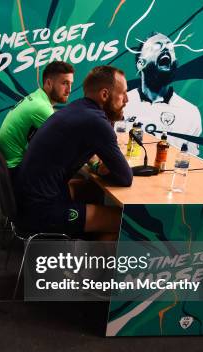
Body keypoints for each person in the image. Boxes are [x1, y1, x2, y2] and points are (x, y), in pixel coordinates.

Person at [15, 66, 132, 241]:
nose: (127, 100)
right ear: (105, 95)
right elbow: (125, 177)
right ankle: (91, 266)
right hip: (42, 212)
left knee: (94, 192)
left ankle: (87, 251)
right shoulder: (97, 123)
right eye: (123, 93)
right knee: (124, 220)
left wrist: (102, 166)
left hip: (27, 200)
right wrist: (106, 166)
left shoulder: (78, 108)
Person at [124, 32, 202, 155]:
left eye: (170, 47)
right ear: (141, 63)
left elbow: (189, 161)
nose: (166, 48)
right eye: (156, 46)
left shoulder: (190, 112)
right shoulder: (121, 103)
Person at [0, 61, 74, 176]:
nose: (69, 90)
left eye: (71, 84)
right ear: (49, 83)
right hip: (16, 171)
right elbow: (68, 143)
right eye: (65, 83)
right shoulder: (41, 107)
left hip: (9, 166)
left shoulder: (37, 97)